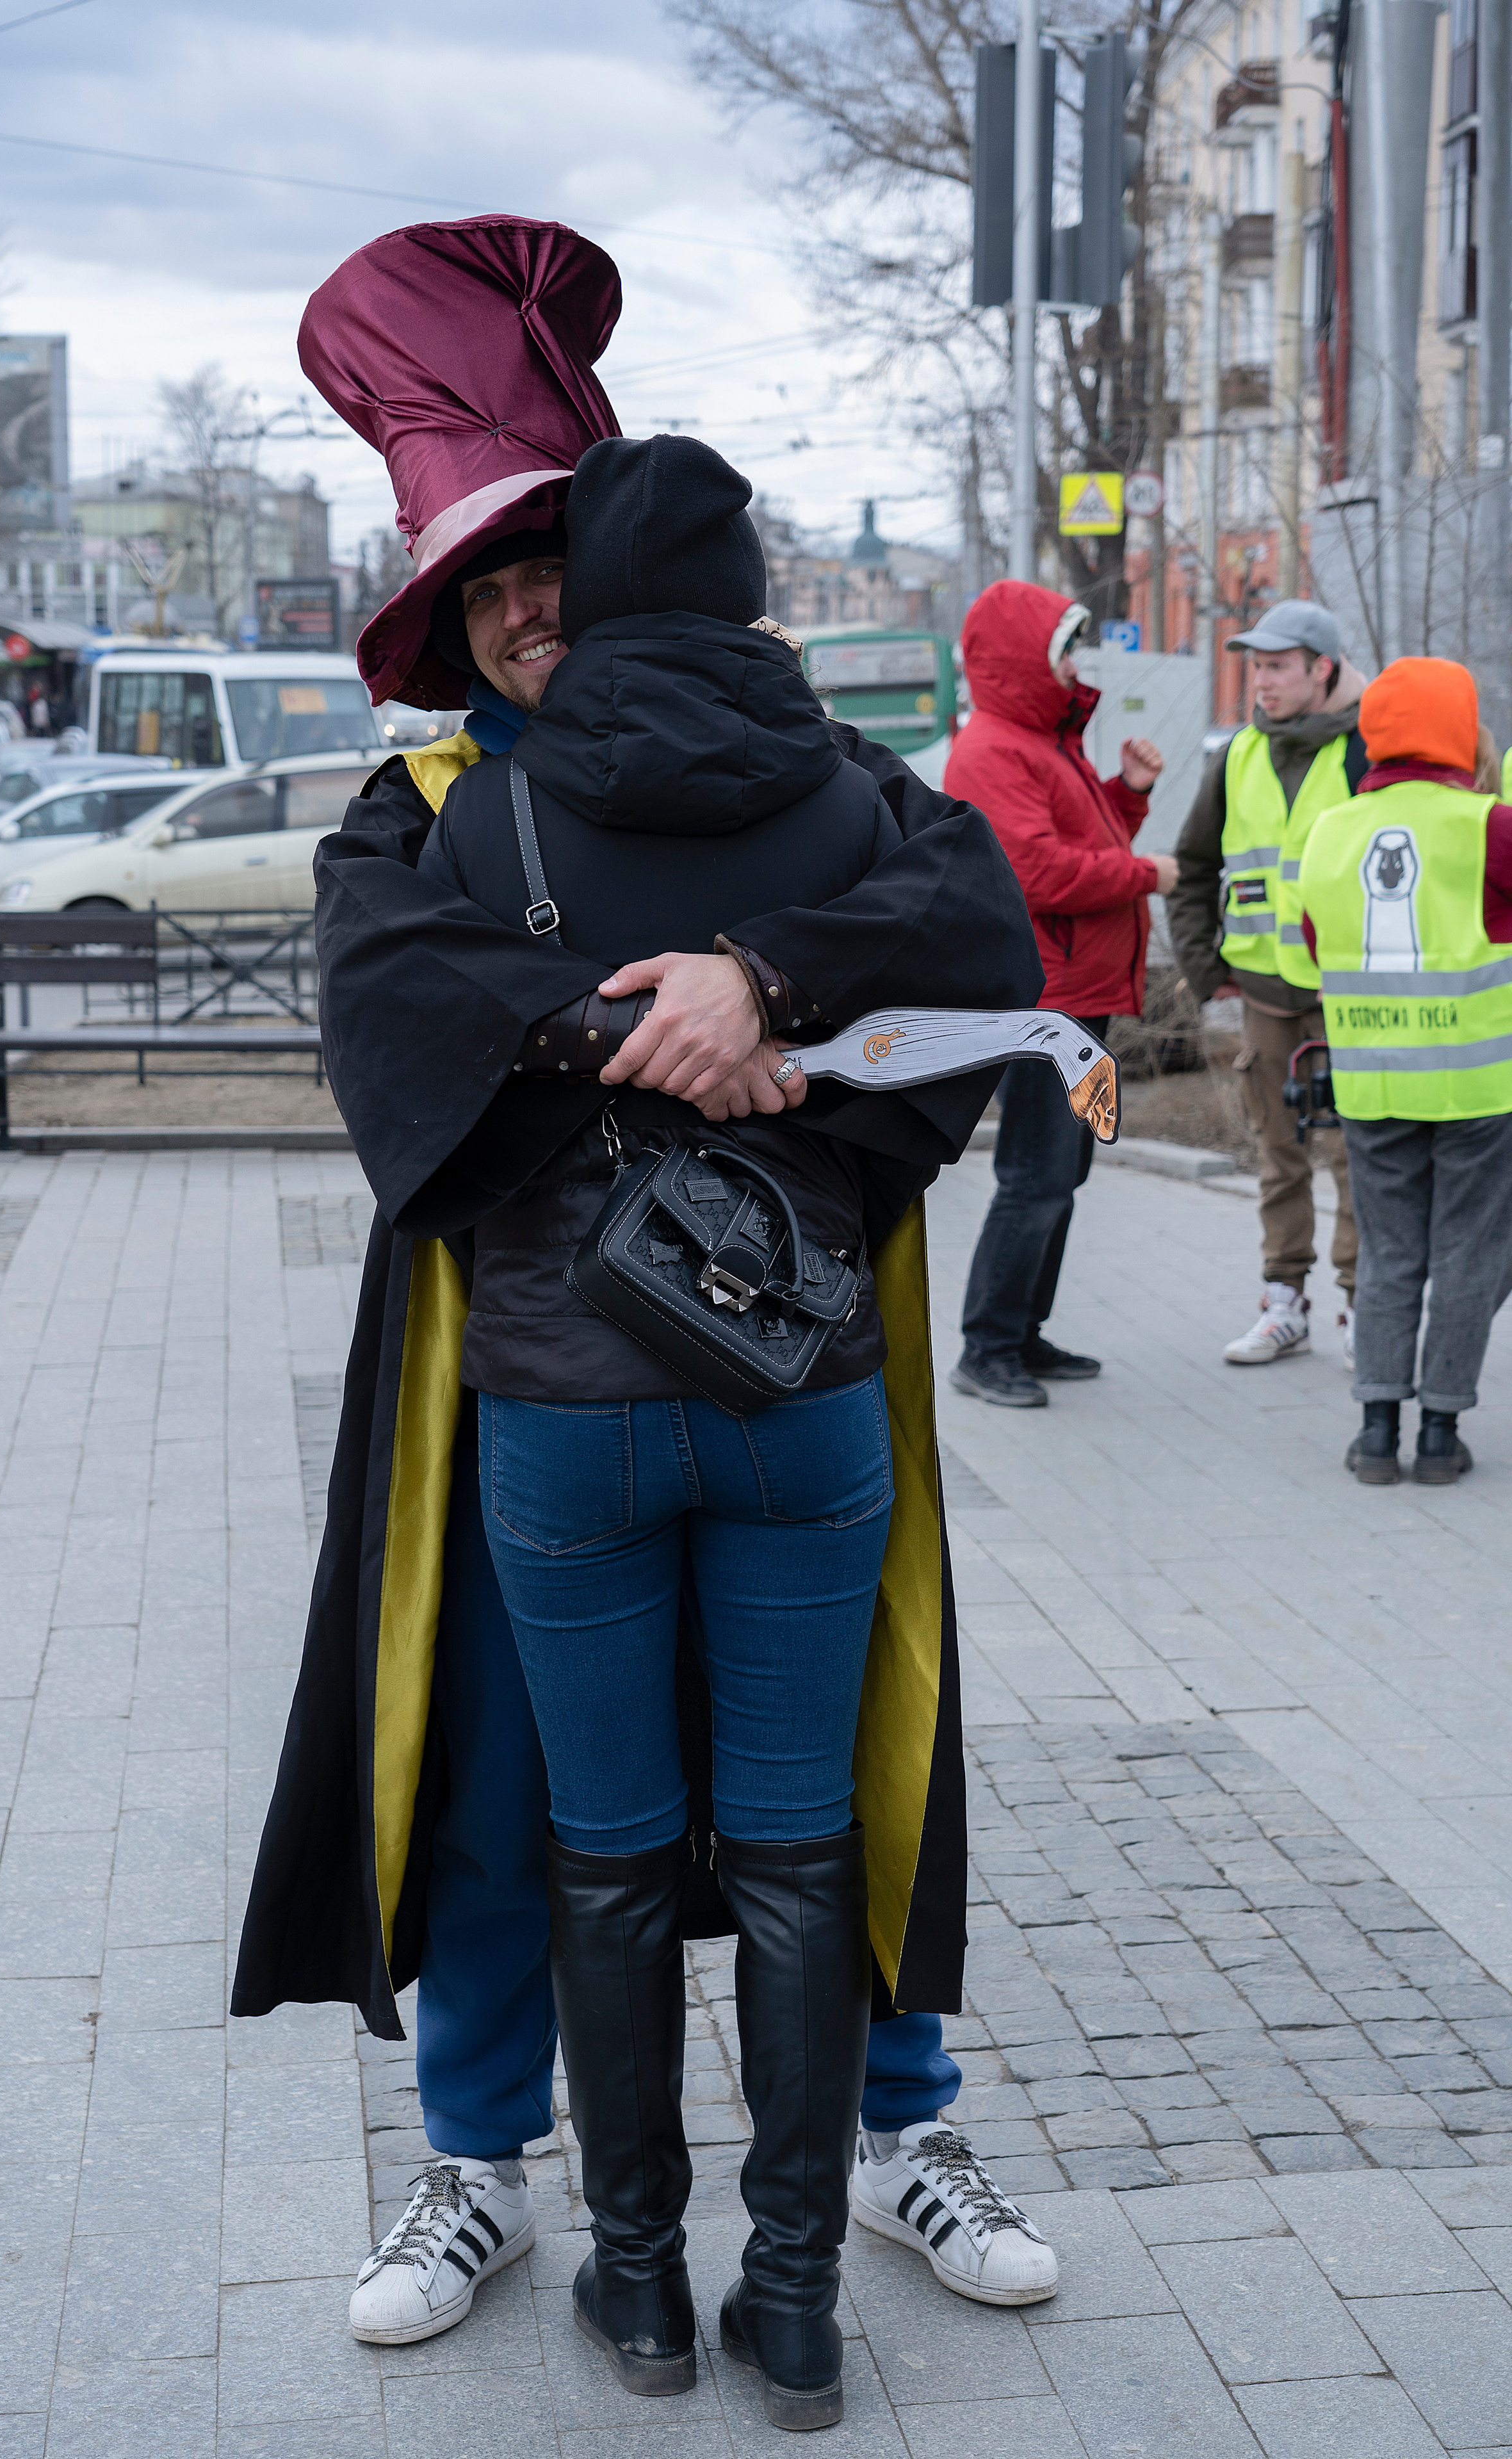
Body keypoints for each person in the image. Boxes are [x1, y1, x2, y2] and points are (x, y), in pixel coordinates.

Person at [232, 216, 1059, 2376]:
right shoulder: (424, 808)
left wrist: (760, 977)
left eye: (549, 573)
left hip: (786, 1346)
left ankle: (905, 2129)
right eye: (485, 591)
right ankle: (484, 2160)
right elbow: (388, 1012)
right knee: (500, 1776)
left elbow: (956, 906)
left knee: (857, 1751)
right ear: (445, 629)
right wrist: (648, 1024)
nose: (523, 614)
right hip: (513, 1364)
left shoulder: (804, 777)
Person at [943, 579, 1169, 1408]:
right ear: (1024, 657)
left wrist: (1127, 796)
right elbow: (1037, 872)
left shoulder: (1044, 742)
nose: (1075, 664)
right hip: (1045, 1004)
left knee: (1062, 1171)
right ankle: (986, 1348)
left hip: (1076, 993)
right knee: (1036, 1174)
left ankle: (1022, 1334)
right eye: (1063, 647)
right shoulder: (996, 748)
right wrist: (1151, 873)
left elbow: (1076, 842)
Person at [1296, 655, 1512, 1485]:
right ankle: (1440, 1435)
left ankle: (1376, 1431)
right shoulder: (1489, 825)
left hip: (1373, 1079)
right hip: (1479, 1085)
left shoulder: (1330, 832)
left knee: (1388, 1252)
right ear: (1463, 731)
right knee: (1466, 1253)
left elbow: (1318, 948)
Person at [1167, 600, 1366, 1368]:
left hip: (1348, 999)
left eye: (1279, 666)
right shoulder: (1240, 755)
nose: (1263, 682)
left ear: (1322, 668)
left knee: (1353, 1155)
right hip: (1263, 997)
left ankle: (1359, 1309)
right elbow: (1192, 870)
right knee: (1278, 1156)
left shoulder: (1366, 748)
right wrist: (1204, 968)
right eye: (1257, 666)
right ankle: (1284, 1304)